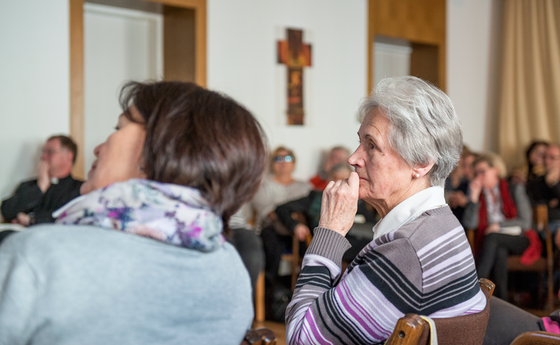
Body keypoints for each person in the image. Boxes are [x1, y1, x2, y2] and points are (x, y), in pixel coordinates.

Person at [0, 81, 267, 344]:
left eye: (118, 127)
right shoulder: (231, 269)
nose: (97, 148)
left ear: (157, 151)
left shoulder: (37, 258)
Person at [285, 76, 486, 345]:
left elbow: (302, 340)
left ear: (421, 162)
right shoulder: (441, 225)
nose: (353, 158)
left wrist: (329, 232)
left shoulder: (407, 252)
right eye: (360, 142)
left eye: (371, 145)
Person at [462, 153, 533, 300]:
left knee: (493, 237)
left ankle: (474, 288)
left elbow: (526, 222)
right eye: (476, 173)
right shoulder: (479, 193)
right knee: (499, 250)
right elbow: (470, 224)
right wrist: (474, 198)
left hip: (519, 238)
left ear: (495, 170)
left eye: (482, 172)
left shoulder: (514, 188)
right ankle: (501, 300)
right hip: (494, 242)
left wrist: (498, 226)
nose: (479, 177)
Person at [1, 135, 83, 225]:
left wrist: (32, 219)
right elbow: (6, 211)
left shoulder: (80, 188)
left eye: (50, 152)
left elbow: (69, 217)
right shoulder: (28, 185)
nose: (43, 156)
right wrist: (39, 188)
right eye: (43, 152)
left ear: (68, 156)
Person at [527, 144, 560, 246]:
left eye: (552, 158)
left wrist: (553, 185)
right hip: (546, 227)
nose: (547, 161)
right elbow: (536, 206)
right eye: (544, 157)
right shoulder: (535, 183)